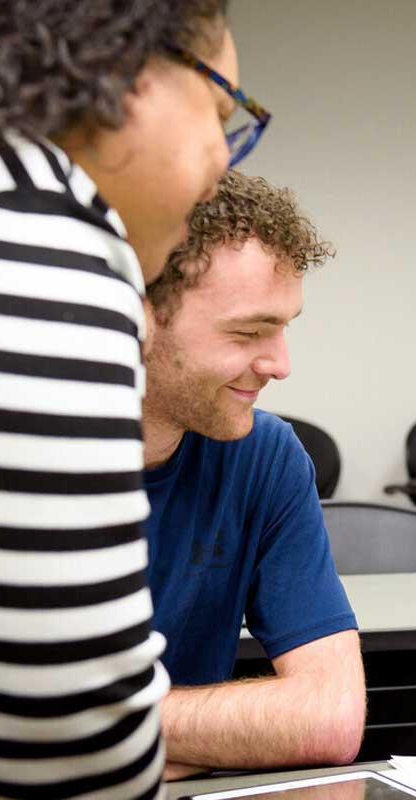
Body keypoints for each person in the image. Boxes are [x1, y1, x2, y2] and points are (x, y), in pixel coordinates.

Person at [0, 1, 264, 796]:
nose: (223, 162)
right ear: (126, 67)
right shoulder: (23, 246)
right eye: (222, 112)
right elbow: (74, 755)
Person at [142, 170, 365, 776]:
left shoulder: (265, 456)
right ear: (138, 318)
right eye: (248, 332)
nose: (280, 364)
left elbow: (329, 717)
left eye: (284, 326)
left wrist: (95, 730)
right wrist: (225, 735)